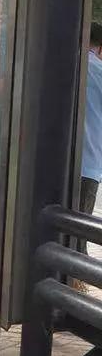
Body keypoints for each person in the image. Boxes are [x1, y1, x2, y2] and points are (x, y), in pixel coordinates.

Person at [81, 21, 102, 223]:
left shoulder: (64, 63)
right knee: (77, 231)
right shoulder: (99, 70)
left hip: (54, 164)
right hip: (88, 167)